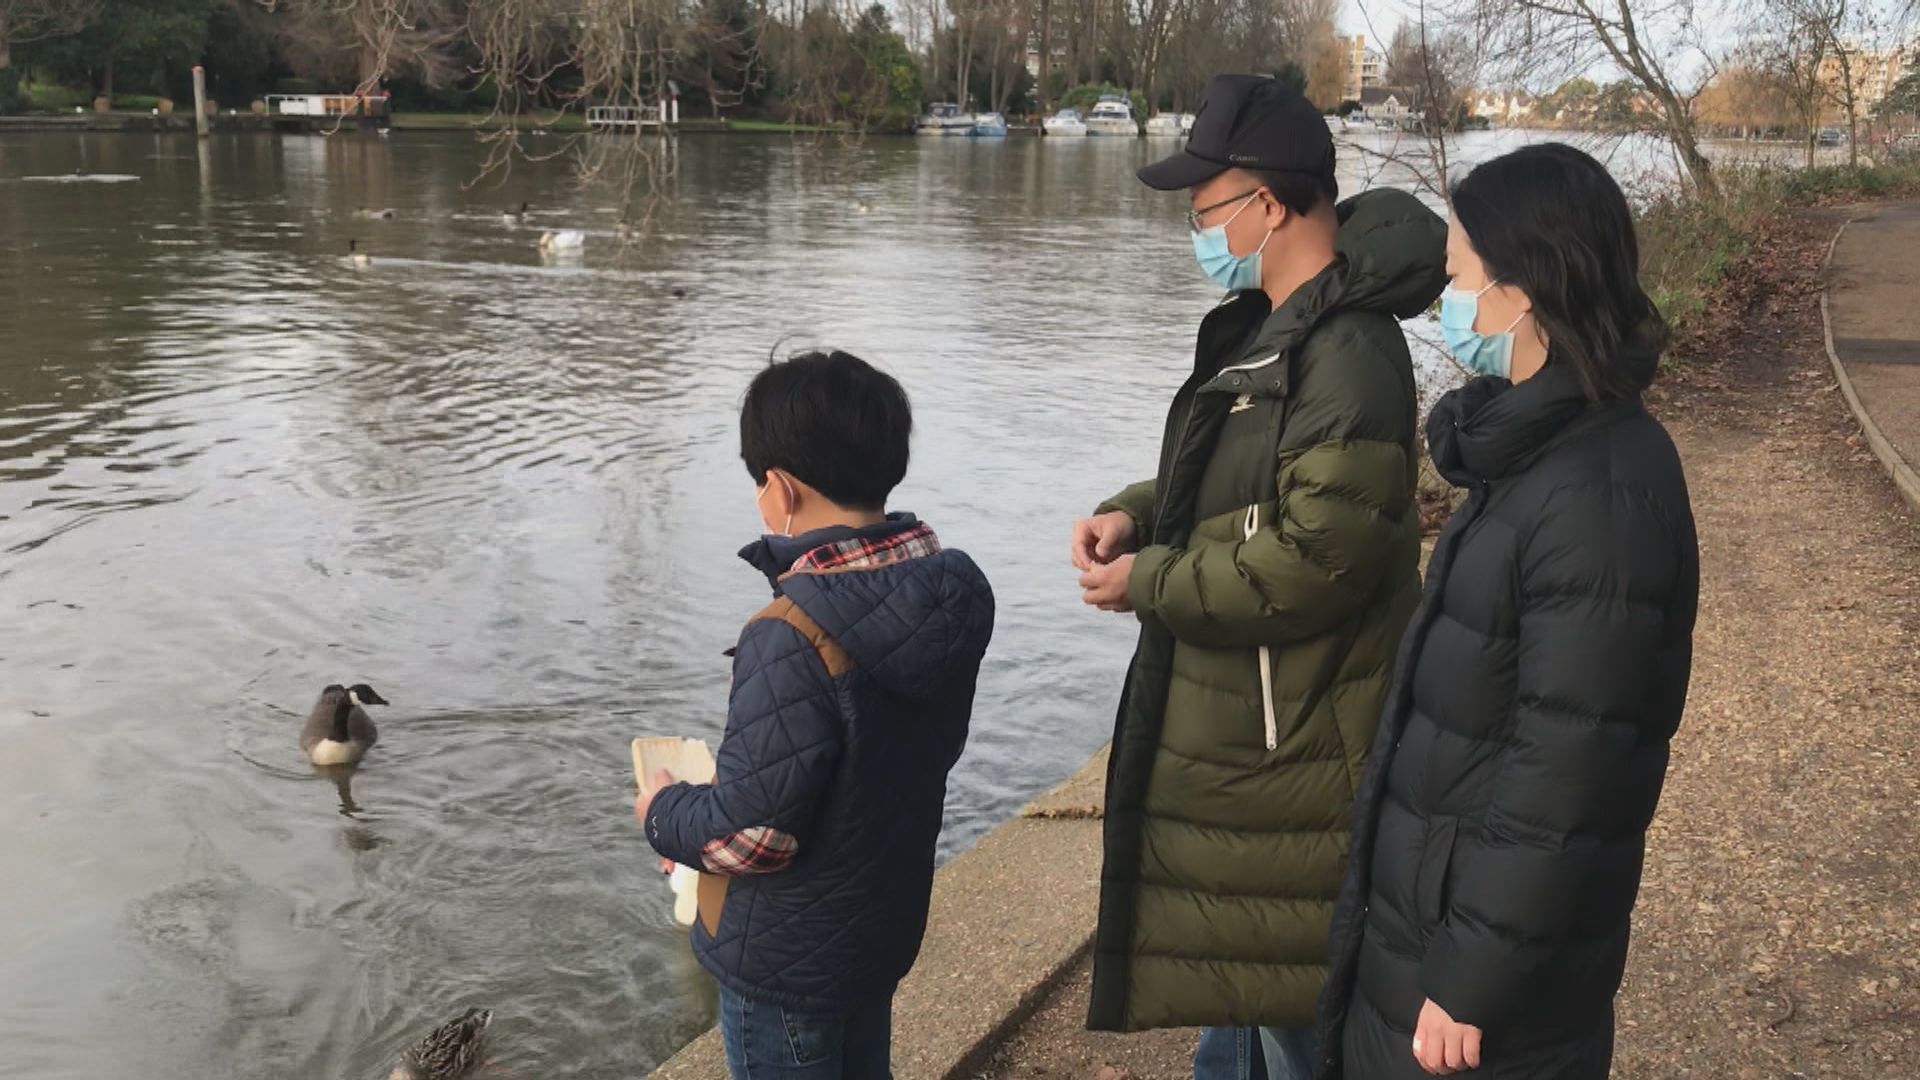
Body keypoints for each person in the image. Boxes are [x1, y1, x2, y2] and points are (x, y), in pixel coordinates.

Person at [1069, 73, 1446, 1079]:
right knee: (1243, 1022)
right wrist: (1138, 512)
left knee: (1290, 1029)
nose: (1196, 230)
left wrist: (1150, 580)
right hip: (1250, 749)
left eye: (1206, 209)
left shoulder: (1350, 349)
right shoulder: (1279, 326)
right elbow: (1245, 483)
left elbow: (1315, 558)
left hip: (1293, 751)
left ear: (1269, 205)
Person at [1315, 143, 1701, 1079]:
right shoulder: (1536, 450)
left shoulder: (1599, 489)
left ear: (1518, 291)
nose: (1447, 303)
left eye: (1456, 276)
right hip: (1435, 922)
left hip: (1475, 981)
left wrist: (1473, 975)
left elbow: (1572, 763)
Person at [636, 349, 996, 1080]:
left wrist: (662, 809)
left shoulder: (790, 630)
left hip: (786, 963)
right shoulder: (948, 598)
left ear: (779, 489)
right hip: (876, 932)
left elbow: (754, 835)